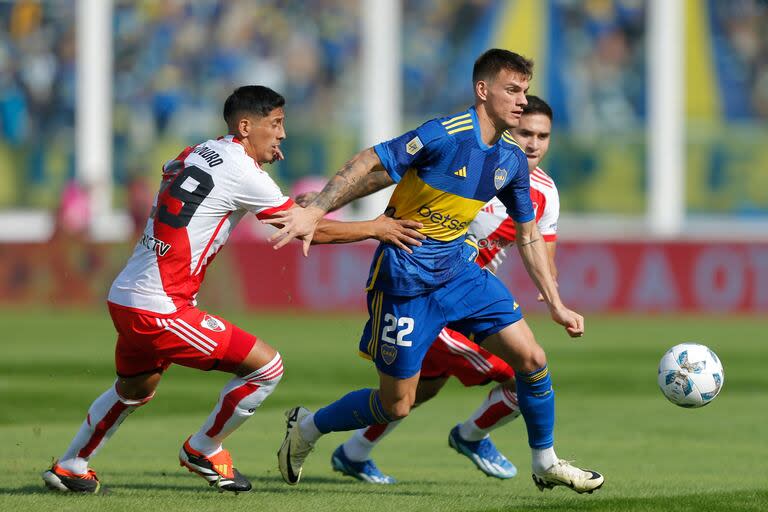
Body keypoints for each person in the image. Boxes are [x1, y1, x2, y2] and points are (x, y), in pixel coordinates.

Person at [41, 85, 425, 494]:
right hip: (161, 305)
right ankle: (203, 448)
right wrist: (376, 228)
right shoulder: (244, 173)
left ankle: (70, 464)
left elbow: (181, 176)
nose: (282, 135)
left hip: (126, 294)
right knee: (266, 367)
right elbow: (303, 228)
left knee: (135, 388)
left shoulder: (198, 150)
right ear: (246, 126)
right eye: (275, 124)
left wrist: (269, 192)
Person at [267, 50, 604, 494]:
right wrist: (321, 209)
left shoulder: (511, 160)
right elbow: (371, 161)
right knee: (397, 404)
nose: (522, 101)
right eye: (512, 90)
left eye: (524, 91)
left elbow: (529, 235)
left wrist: (556, 304)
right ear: (483, 91)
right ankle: (308, 428)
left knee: (532, 359)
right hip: (404, 279)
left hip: (460, 274)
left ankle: (545, 462)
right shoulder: (445, 134)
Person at [326, 95, 560, 484]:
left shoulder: (543, 193)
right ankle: (470, 435)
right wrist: (327, 203)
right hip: (428, 293)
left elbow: (540, 247)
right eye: (525, 133)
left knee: (419, 391)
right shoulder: (467, 165)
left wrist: (550, 292)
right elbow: (389, 173)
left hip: (468, 300)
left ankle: (352, 451)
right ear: (505, 131)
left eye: (543, 135)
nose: (533, 143)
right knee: (522, 373)